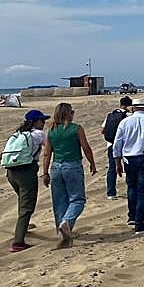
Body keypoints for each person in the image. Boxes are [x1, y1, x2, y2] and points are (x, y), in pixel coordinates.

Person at [0, 109, 49, 252]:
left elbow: (2, 153)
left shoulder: (17, 135)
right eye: (42, 120)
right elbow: (49, 149)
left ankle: (23, 228)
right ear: (35, 122)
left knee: (23, 200)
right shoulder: (38, 134)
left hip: (11, 173)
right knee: (27, 206)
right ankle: (18, 242)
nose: (44, 123)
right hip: (26, 172)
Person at [42, 103, 97, 243]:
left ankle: (62, 233)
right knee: (77, 199)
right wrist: (92, 163)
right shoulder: (76, 129)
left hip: (56, 167)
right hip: (72, 166)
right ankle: (66, 222)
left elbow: (47, 154)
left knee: (59, 202)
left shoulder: (52, 130)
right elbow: (86, 148)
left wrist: (45, 172)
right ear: (69, 114)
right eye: (72, 112)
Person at [112, 99, 144, 234]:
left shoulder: (124, 122)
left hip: (129, 158)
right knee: (142, 190)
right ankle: (139, 221)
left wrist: (117, 162)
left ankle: (132, 216)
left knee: (131, 187)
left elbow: (117, 143)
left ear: (132, 109)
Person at [101, 95, 132, 199]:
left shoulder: (110, 115)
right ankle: (130, 190)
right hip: (126, 145)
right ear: (129, 105)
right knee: (129, 168)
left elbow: (102, 130)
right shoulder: (129, 115)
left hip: (111, 144)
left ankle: (111, 193)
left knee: (112, 168)